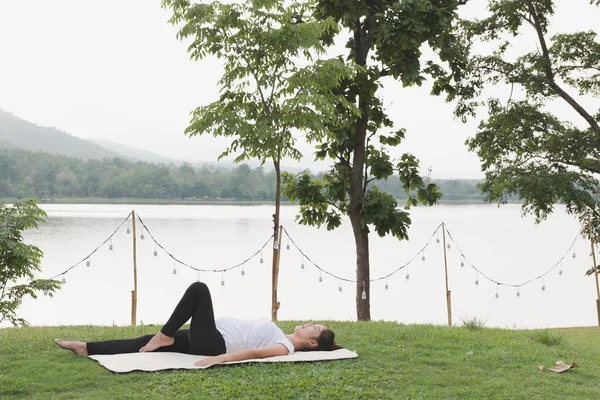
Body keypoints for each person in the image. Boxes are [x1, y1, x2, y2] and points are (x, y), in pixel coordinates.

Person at [55, 282, 340, 367]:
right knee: (145, 338)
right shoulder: (283, 333)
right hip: (207, 336)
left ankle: (164, 336)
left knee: (199, 290)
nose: (308, 323)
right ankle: (85, 347)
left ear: (313, 343)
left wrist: (220, 359)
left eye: (313, 327)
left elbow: (253, 354)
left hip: (214, 343)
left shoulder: (285, 346)